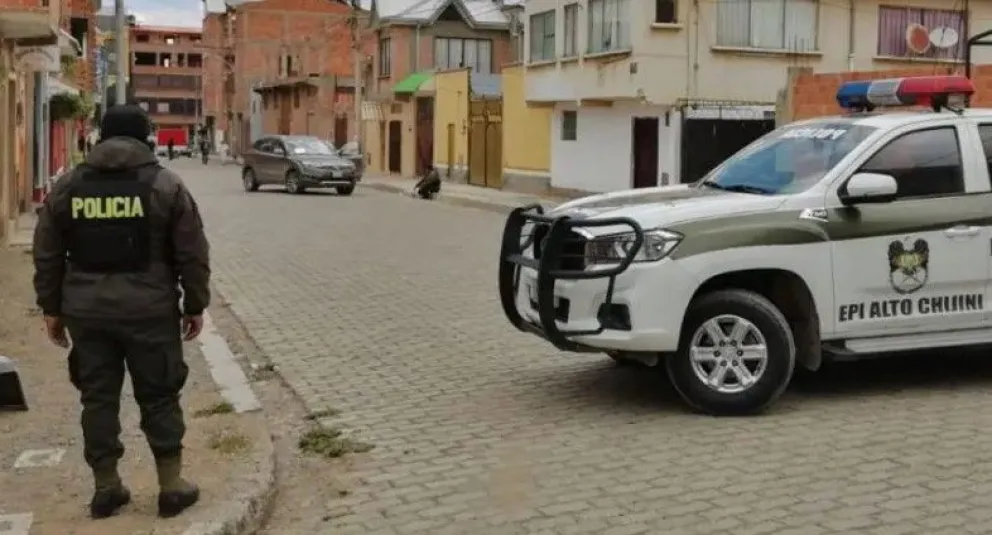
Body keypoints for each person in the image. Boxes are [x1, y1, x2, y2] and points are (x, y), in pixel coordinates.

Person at [32, 104, 211, 520]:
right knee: (160, 395)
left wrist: (52, 308)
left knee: (97, 398)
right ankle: (170, 487)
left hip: (87, 314)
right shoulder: (166, 185)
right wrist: (195, 305)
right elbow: (193, 253)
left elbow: (47, 253)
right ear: (147, 137)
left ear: (101, 137)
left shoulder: (68, 186)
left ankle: (106, 488)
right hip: (149, 312)